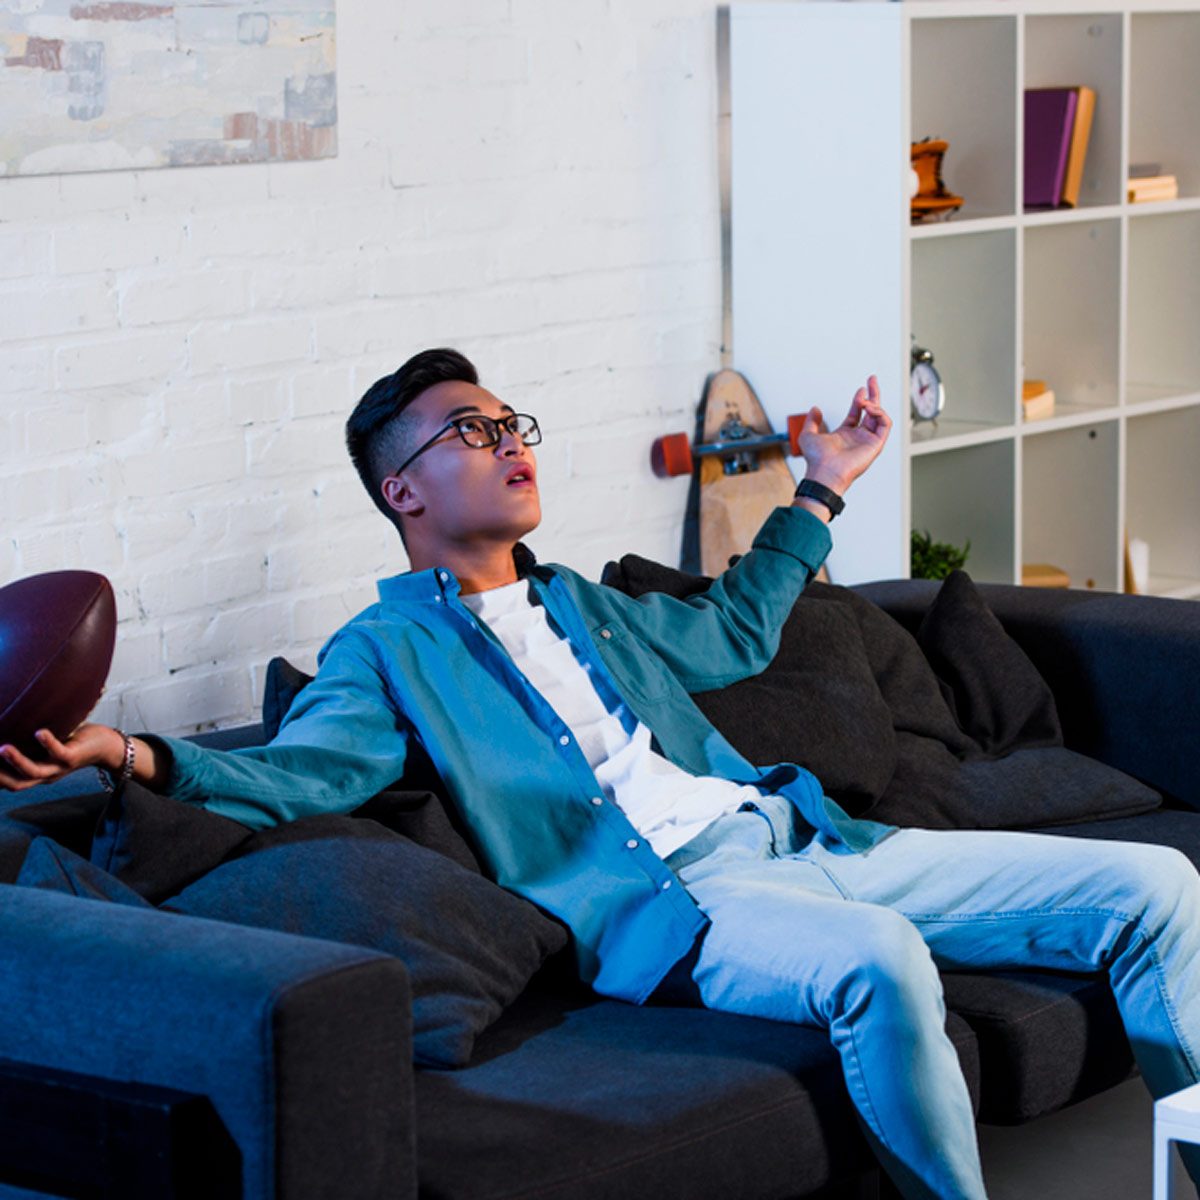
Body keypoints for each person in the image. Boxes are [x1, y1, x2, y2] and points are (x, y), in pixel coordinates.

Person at [3, 347, 1199, 1200]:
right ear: (401, 491)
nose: (510, 443)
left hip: (812, 839)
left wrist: (823, 485)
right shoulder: (391, 651)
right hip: (680, 906)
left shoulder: (584, 602)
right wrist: (133, 755)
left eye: (512, 421)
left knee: (1158, 890)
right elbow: (311, 772)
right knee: (880, 966)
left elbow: (735, 632)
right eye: (471, 431)